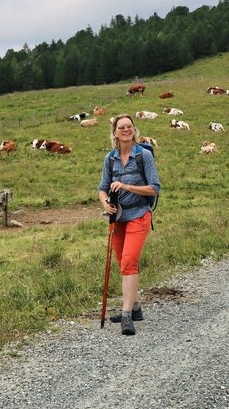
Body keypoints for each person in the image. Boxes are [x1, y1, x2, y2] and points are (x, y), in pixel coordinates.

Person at [98, 114, 161, 336]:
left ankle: (126, 316)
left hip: (139, 215)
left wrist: (126, 186)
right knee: (121, 260)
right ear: (115, 133)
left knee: (128, 262)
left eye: (129, 126)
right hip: (118, 218)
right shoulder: (110, 158)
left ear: (134, 130)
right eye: (121, 127)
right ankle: (135, 308)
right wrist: (106, 203)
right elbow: (102, 188)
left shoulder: (143, 156)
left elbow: (154, 188)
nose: (126, 130)